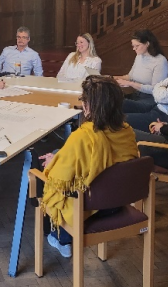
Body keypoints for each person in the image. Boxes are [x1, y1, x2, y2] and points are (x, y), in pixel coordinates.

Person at [39, 76, 138, 258]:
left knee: (42, 178)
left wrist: (53, 162)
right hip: (117, 201)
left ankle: (61, 236)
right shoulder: (127, 131)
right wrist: (59, 156)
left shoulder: (82, 137)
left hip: (90, 206)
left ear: (88, 106)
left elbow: (60, 178)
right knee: (59, 154)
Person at [114, 29, 168, 102]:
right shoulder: (139, 56)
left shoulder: (160, 61)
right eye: (133, 46)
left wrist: (130, 84)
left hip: (150, 99)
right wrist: (111, 78)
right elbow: (130, 77)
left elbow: (156, 89)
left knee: (119, 104)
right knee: (113, 100)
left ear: (147, 44)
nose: (134, 49)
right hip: (137, 94)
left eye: (137, 46)